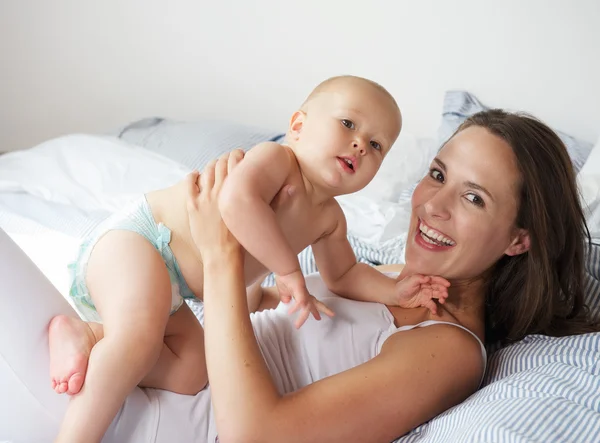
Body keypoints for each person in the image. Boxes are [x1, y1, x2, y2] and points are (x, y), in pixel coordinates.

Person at [2, 109, 597, 443]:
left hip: (133, 424)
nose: (433, 207)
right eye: (438, 174)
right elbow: (270, 310)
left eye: (474, 198)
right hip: (120, 377)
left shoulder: (450, 350)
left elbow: (256, 436)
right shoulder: (392, 276)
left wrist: (220, 255)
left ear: (521, 240)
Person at [48, 75, 450, 443]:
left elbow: (343, 274)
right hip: (142, 242)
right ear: (298, 126)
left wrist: (396, 290)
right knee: (137, 339)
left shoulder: (329, 218)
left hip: (172, 287)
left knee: (193, 371)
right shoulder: (277, 161)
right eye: (348, 124)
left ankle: (91, 335)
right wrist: (288, 269)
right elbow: (236, 202)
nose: (361, 143)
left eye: (376, 145)